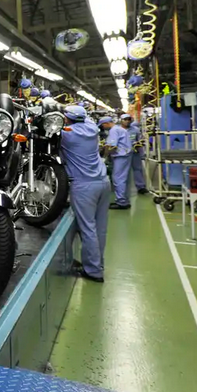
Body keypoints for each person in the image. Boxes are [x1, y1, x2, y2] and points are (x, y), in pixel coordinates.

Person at [60, 105, 111, 283]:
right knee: (100, 228)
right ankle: (98, 264)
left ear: (67, 119)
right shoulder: (92, 129)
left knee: (88, 229)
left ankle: (93, 271)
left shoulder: (67, 135)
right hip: (103, 182)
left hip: (84, 186)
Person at [103, 114, 134, 209]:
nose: (103, 128)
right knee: (123, 178)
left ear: (106, 123)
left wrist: (104, 157)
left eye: (102, 125)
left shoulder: (114, 130)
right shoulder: (119, 129)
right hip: (125, 155)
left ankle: (121, 202)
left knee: (118, 179)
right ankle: (124, 200)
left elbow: (112, 146)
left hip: (121, 156)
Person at [128, 118, 148, 195]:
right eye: (125, 119)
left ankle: (141, 187)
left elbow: (140, 142)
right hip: (123, 154)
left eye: (128, 119)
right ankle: (122, 187)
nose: (127, 121)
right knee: (123, 172)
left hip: (135, 153)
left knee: (138, 169)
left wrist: (142, 153)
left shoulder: (136, 130)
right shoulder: (118, 130)